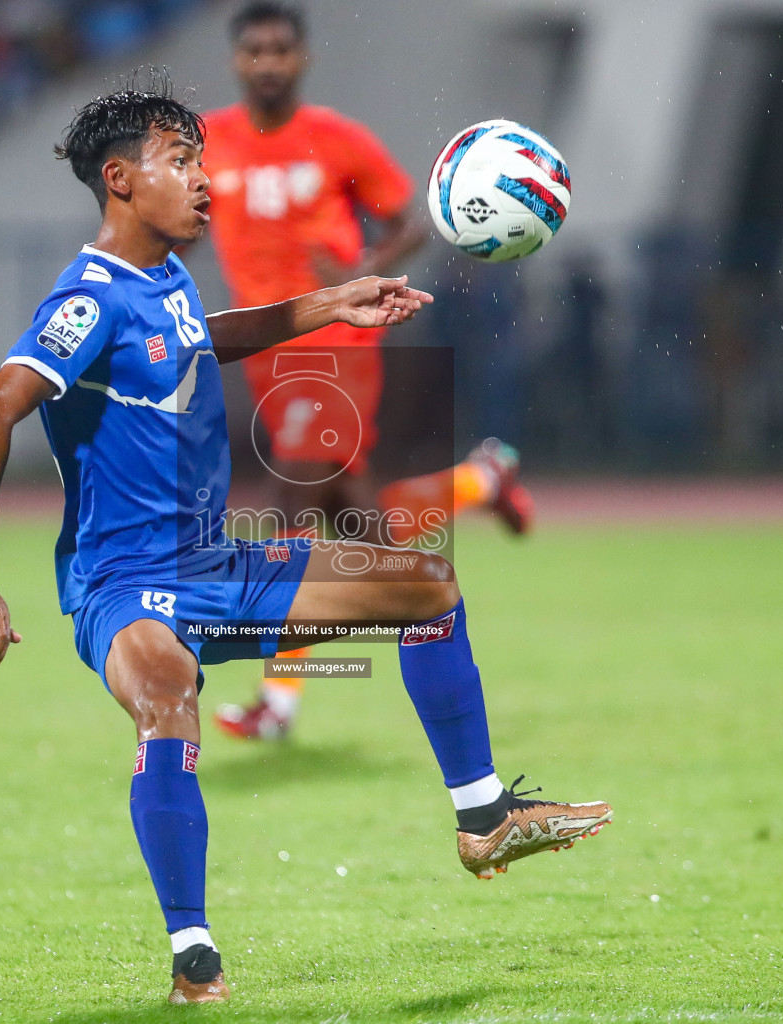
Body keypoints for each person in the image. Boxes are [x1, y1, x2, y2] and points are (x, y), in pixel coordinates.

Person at [0, 78, 611, 1006]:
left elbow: (195, 339)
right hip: (125, 584)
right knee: (168, 699)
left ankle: (484, 815)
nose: (202, 180)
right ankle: (194, 960)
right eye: (179, 162)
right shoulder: (89, 298)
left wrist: (328, 302)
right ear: (120, 181)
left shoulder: (164, 279)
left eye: (200, 160)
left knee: (426, 586)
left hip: (219, 562)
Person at [203, 1, 536, 741]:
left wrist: (365, 270)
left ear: (303, 59)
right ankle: (480, 483)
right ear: (236, 61)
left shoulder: (336, 140)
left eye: (280, 49)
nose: (267, 62)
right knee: (361, 525)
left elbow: (410, 219)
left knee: (286, 511)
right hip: (266, 355)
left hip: (334, 350)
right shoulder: (212, 143)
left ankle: (277, 703)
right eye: (254, 49)